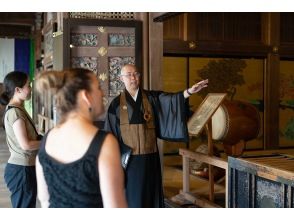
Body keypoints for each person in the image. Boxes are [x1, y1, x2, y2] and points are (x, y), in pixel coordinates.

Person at [104, 64, 208, 207]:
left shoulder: (151, 98)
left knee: (151, 195)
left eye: (136, 74)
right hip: (129, 160)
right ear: (121, 78)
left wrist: (189, 92)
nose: (133, 78)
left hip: (150, 157)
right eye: (128, 75)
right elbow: (110, 135)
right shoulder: (115, 105)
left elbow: (170, 100)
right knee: (133, 198)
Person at [35, 68, 127, 208]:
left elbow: (44, 199)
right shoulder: (104, 142)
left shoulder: (48, 138)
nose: (102, 93)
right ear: (86, 96)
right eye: (98, 88)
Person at [0, 71, 40, 208]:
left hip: (23, 169)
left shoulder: (17, 109)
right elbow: (26, 145)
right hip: (21, 170)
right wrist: (49, 142)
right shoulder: (15, 112)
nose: (30, 89)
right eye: (28, 85)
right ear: (18, 90)